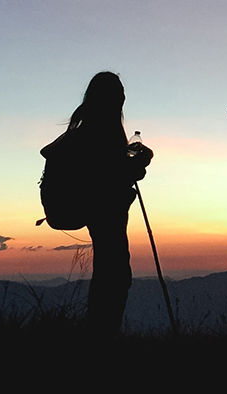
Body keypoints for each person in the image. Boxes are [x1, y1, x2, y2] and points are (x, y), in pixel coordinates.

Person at [41, 72, 153, 336]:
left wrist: (133, 167)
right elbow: (108, 178)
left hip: (91, 208)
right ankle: (102, 335)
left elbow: (108, 174)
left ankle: (100, 332)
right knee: (114, 274)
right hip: (103, 211)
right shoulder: (102, 133)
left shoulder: (83, 133)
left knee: (111, 271)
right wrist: (140, 163)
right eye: (119, 94)